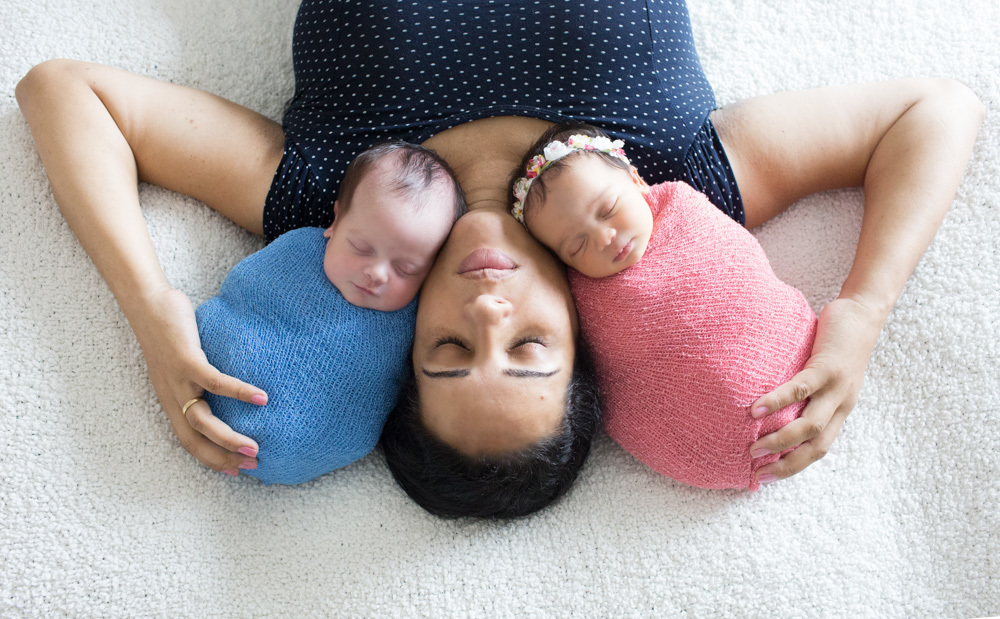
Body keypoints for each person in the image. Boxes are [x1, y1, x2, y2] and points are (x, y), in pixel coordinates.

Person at [15, 1, 983, 515]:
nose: (486, 316)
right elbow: (933, 111)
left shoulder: (340, 204)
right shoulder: (659, 187)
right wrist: (857, 309)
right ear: (581, 334)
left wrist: (149, 305)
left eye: (447, 353)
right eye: (528, 352)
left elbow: (63, 91)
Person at [506, 121, 818, 490]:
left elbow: (739, 265)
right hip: (705, 429)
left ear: (636, 180)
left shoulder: (683, 210)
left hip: (793, 362)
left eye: (608, 209)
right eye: (577, 246)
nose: (605, 237)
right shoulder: (586, 300)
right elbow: (610, 371)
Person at [194, 142, 464, 483]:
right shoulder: (298, 251)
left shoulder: (413, 319)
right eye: (361, 247)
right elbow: (246, 287)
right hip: (215, 378)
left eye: (406, 268)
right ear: (336, 220)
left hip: (310, 445)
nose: (377, 274)